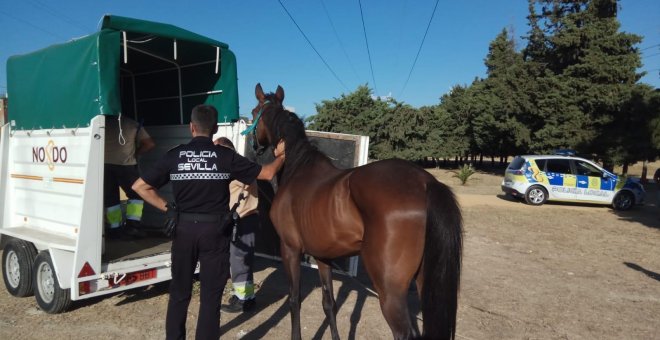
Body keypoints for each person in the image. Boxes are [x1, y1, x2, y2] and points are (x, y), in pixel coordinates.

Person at [131, 105, 285, 340]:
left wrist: (169, 209)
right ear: (214, 128)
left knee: (179, 293)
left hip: (183, 230)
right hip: (215, 232)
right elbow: (267, 174)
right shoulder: (225, 156)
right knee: (211, 297)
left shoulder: (175, 154)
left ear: (191, 127)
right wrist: (283, 154)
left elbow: (140, 187)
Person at [214, 137, 258, 313]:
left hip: (244, 219)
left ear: (226, 150)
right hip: (238, 220)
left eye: (217, 151)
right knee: (238, 261)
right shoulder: (236, 165)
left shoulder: (238, 165)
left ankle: (244, 301)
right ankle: (245, 296)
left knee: (239, 261)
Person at [104, 114, 155, 239]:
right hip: (126, 165)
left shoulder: (102, 124)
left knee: (111, 199)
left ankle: (114, 229)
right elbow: (150, 144)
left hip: (105, 166)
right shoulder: (132, 124)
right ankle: (133, 227)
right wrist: (136, 154)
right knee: (136, 195)